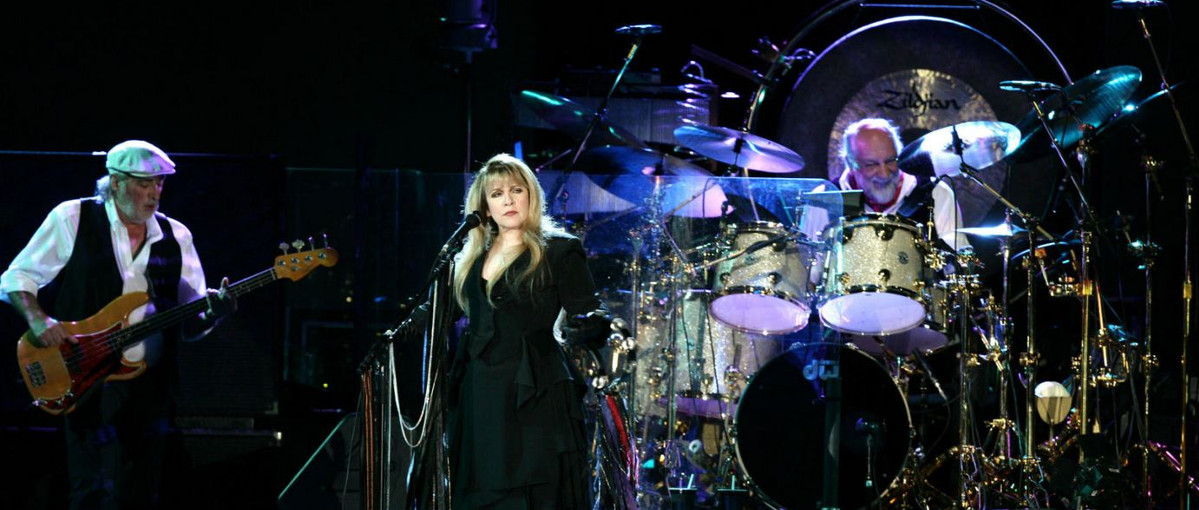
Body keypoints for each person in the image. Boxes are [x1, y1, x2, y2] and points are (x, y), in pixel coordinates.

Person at [0, 139, 237, 509]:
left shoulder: (177, 235)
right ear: (115, 182)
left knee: (139, 491)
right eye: (144, 184)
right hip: (84, 375)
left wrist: (213, 313)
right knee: (89, 488)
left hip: (149, 385)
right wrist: (39, 319)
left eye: (159, 183)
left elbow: (190, 319)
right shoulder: (73, 217)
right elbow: (17, 278)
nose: (154, 193)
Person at [448, 153, 610, 509]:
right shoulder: (469, 259)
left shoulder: (559, 250)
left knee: (535, 492)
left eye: (516, 190)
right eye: (497, 194)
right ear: (484, 207)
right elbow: (435, 314)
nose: (508, 200)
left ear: (531, 195)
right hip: (480, 392)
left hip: (534, 390)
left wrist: (593, 324)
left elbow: (589, 309)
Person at [836, 117, 970, 250]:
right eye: (871, 164)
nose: (884, 174)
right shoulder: (828, 200)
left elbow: (958, 259)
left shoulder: (936, 193)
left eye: (890, 161)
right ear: (850, 164)